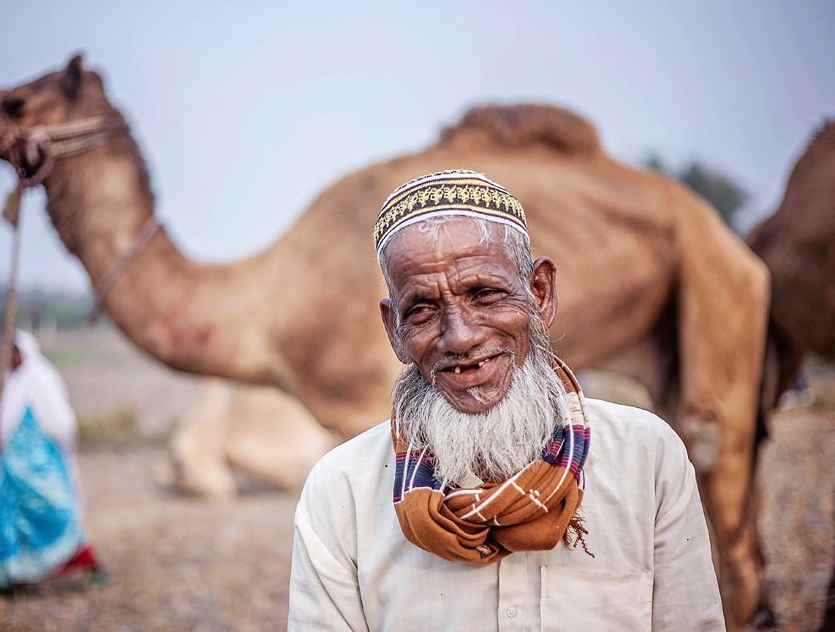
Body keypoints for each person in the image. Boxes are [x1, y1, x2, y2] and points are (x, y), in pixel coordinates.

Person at [288, 170, 724, 630]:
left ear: (540, 293)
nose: (460, 337)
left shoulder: (645, 457)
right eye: (422, 309)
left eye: (486, 294)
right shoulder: (341, 493)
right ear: (395, 331)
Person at [0, 329, 100, 589]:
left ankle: (82, 560)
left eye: (15, 352)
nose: (11, 358)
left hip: (41, 464)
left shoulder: (40, 377)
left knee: (57, 509)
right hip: (12, 466)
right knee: (11, 516)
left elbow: (60, 421)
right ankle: (13, 575)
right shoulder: (12, 382)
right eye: (8, 352)